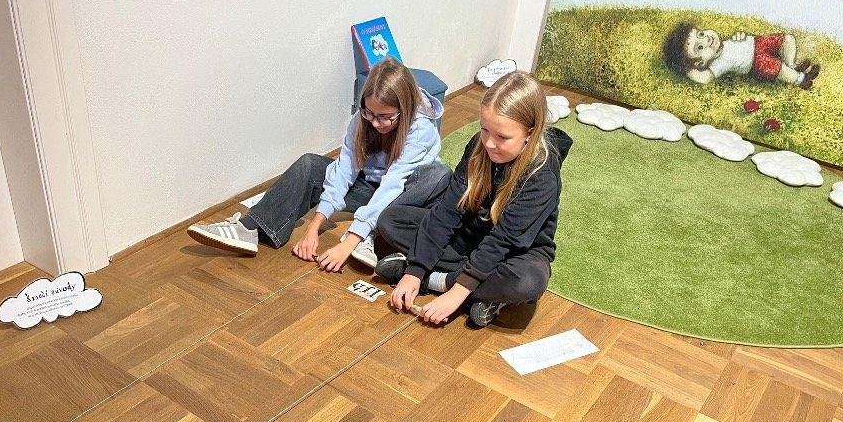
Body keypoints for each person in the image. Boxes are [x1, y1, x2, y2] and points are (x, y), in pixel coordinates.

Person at [187, 57, 449, 272]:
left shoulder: (421, 130)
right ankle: (252, 227)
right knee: (310, 164)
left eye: (385, 117)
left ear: (405, 109)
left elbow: (392, 185)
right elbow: (344, 169)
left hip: (403, 196)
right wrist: (314, 227)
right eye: (369, 113)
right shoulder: (362, 120)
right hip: (369, 186)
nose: (375, 122)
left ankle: (368, 236)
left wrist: (350, 241)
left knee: (438, 175)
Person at [374, 71, 572, 328]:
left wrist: (455, 292)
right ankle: (485, 296)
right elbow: (447, 211)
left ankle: (439, 281)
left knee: (527, 281)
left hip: (513, 254)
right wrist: (415, 270)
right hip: (468, 240)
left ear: (530, 133)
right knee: (391, 219)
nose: (489, 143)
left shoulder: (542, 175)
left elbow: (504, 240)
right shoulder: (479, 148)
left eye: (502, 137)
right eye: (484, 130)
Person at [663, 23, 820, 89]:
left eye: (701, 34)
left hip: (758, 43)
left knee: (788, 39)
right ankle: (801, 79)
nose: (706, 40)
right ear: (700, 63)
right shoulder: (718, 64)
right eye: (699, 47)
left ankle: (792, 65)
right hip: (756, 62)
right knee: (778, 68)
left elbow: (737, 45)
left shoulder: (723, 42)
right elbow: (705, 78)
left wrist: (740, 37)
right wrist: (687, 69)